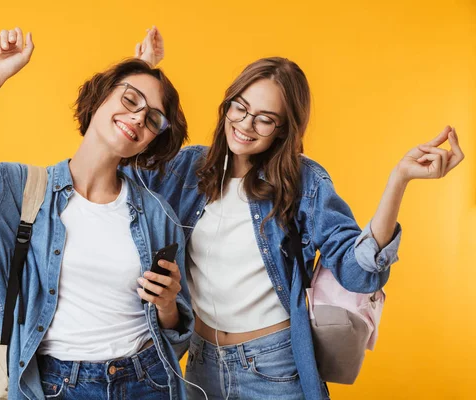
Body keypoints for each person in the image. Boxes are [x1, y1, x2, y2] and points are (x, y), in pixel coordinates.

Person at [127, 27, 465, 400]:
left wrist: (398, 180)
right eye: (240, 107)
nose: (245, 124)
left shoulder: (303, 181)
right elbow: (121, 176)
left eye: (265, 119)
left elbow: (357, 272)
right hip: (201, 364)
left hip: (274, 365)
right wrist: (142, 72)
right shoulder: (187, 170)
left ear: (284, 129)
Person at [0, 27, 194, 400]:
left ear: (154, 137)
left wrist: (168, 304)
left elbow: (176, 333)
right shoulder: (21, 193)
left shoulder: (157, 215)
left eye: (154, 119)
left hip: (150, 381)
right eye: (131, 99)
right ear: (102, 95)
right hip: (58, 386)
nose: (139, 118)